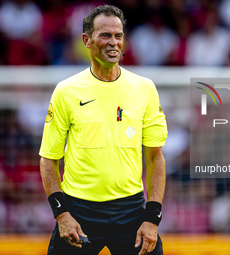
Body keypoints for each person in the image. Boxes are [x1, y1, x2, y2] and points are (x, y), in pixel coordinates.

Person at [39, 5, 167, 255]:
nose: (113, 42)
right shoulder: (66, 91)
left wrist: (152, 218)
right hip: (79, 211)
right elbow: (48, 159)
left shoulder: (144, 88)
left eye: (118, 36)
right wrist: (62, 214)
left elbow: (155, 157)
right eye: (105, 35)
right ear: (86, 40)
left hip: (131, 210)